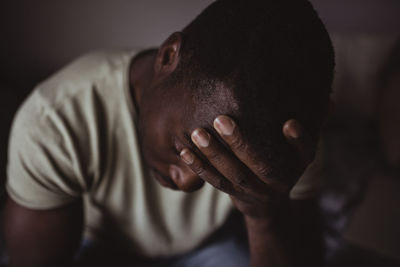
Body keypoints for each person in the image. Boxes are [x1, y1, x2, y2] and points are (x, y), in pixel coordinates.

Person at [3, 0, 334, 266]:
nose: (188, 183)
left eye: (224, 167)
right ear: (168, 55)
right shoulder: (56, 119)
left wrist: (264, 217)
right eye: (182, 147)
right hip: (95, 242)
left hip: (211, 243)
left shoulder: (291, 137)